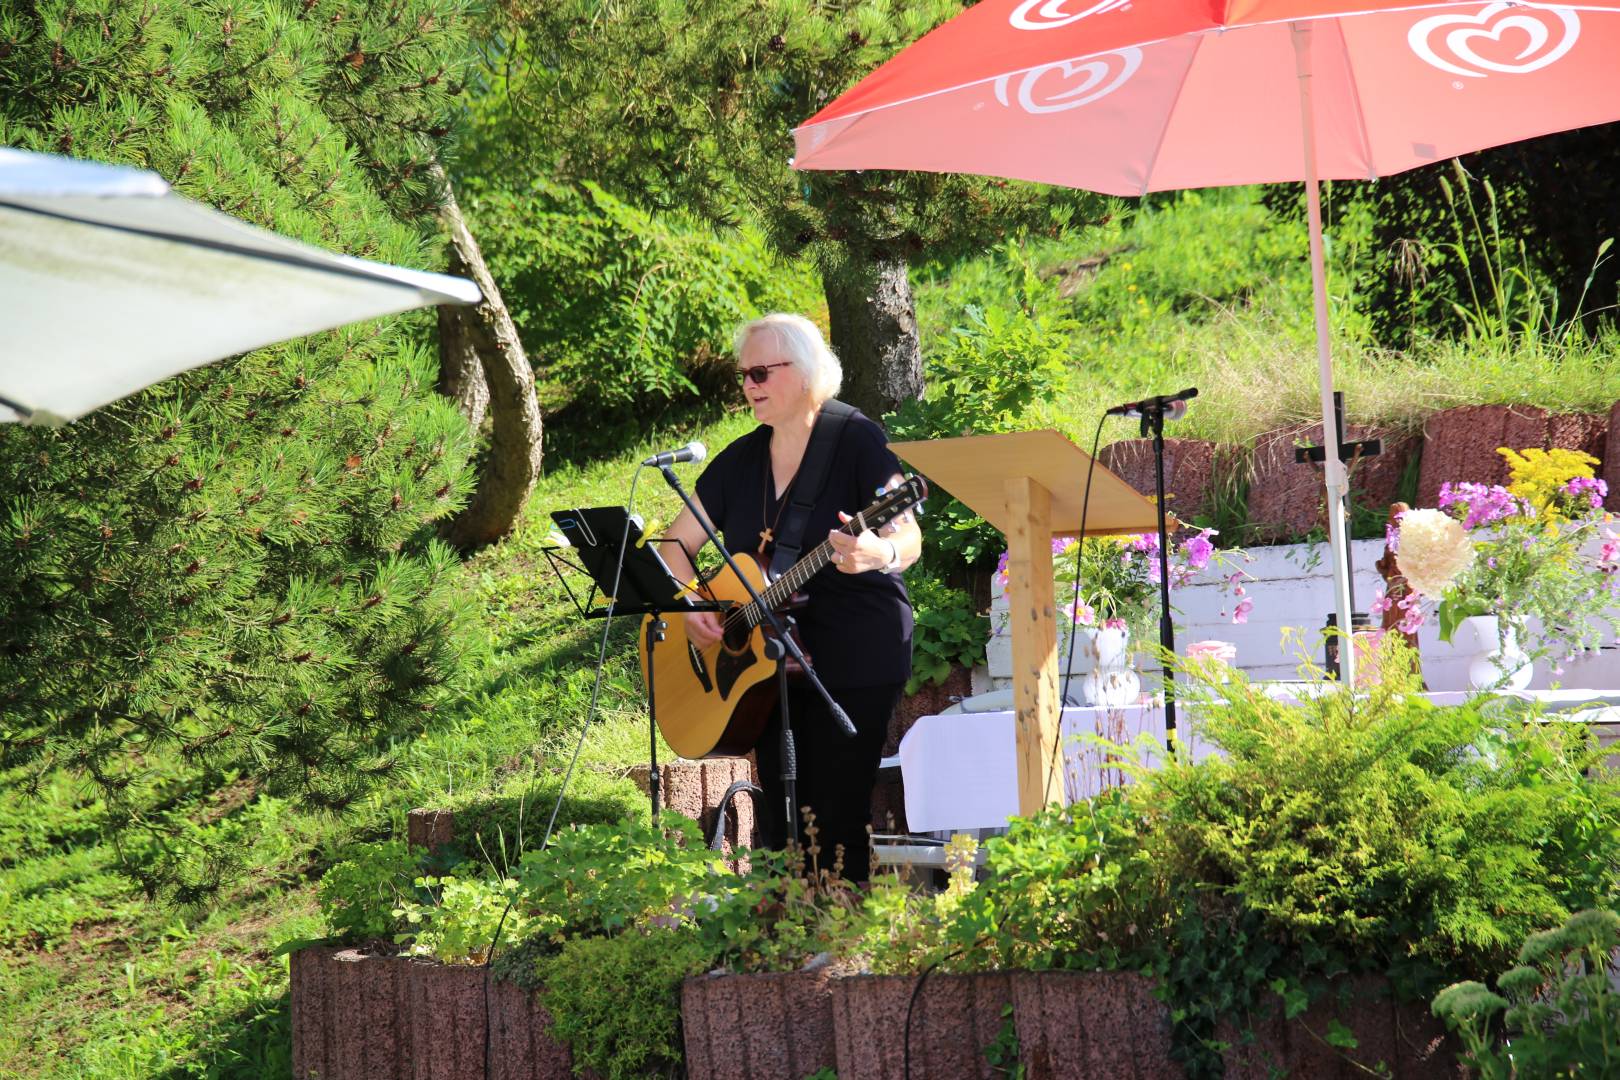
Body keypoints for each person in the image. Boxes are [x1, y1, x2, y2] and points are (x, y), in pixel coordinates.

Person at [658, 313, 921, 882]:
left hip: (855, 651)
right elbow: (673, 547)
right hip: (768, 670)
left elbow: (908, 535)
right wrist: (690, 604)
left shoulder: (857, 439)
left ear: (802, 373)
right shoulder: (739, 462)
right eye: (743, 375)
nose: (749, 385)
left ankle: (843, 949)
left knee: (837, 807)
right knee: (778, 818)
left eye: (760, 372)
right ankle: (785, 945)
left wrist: (877, 553)